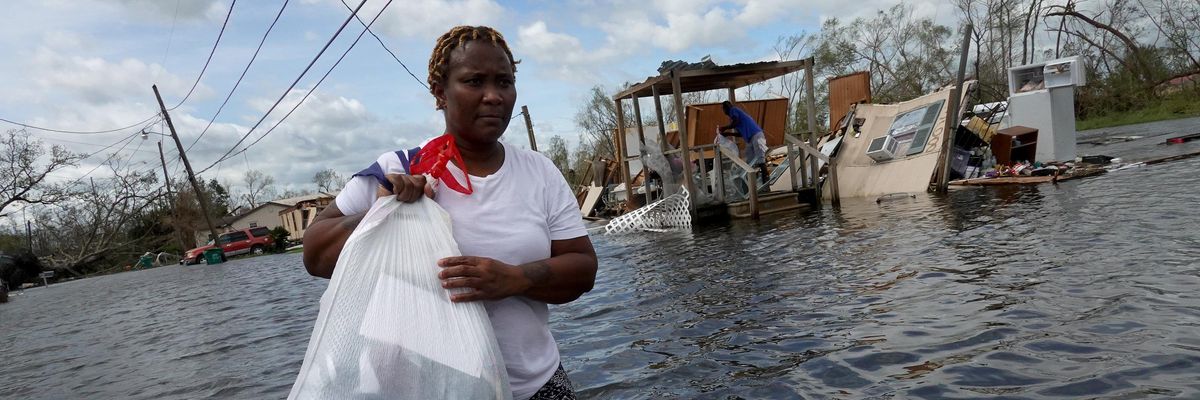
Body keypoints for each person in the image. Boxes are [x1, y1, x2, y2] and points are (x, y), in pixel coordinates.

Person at [301, 26, 597, 400]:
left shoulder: (539, 172)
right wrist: (378, 214)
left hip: (535, 385)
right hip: (430, 389)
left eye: (504, 82)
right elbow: (314, 256)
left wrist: (516, 279)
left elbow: (583, 268)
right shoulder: (400, 168)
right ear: (440, 92)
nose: (493, 96)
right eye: (474, 81)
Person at [717, 101, 769, 184]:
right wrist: (728, 134)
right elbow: (740, 133)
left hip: (757, 135)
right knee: (750, 162)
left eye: (723, 109)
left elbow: (736, 121)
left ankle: (766, 182)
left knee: (760, 159)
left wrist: (725, 128)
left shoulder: (733, 110)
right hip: (750, 139)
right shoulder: (734, 118)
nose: (723, 112)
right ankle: (754, 183)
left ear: (725, 108)